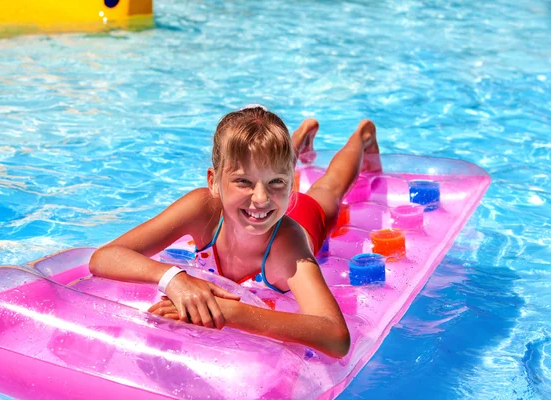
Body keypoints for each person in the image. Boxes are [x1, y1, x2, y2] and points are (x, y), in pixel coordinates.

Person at [89, 105, 379, 358]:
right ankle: (293, 147)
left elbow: (336, 338)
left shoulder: (288, 250)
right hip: (272, 201)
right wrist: (172, 278)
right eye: (242, 181)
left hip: (304, 218)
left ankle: (361, 137)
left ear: (291, 184)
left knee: (328, 189)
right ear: (214, 182)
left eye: (279, 181)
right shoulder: (202, 208)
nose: (261, 198)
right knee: (265, 164)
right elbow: (103, 258)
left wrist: (230, 313)